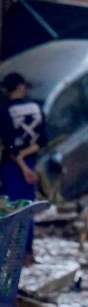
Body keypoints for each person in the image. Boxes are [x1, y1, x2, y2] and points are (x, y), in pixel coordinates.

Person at [0, 73, 45, 265]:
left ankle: (10, 254)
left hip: (12, 168)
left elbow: (10, 146)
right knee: (28, 209)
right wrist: (28, 164)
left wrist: (21, 163)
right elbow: (42, 140)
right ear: (21, 88)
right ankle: (27, 253)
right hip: (30, 166)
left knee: (9, 210)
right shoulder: (37, 107)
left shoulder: (4, 111)